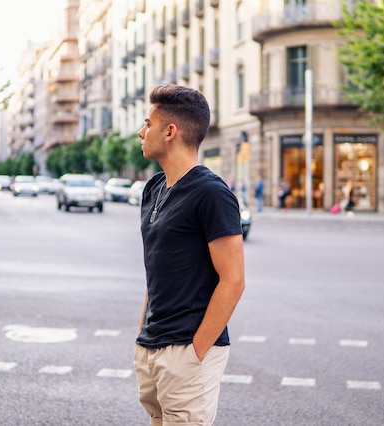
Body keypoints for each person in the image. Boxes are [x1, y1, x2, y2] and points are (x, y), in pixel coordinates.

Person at [134, 84, 245, 426]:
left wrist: (195, 353)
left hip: (187, 350)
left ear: (170, 131)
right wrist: (142, 336)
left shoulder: (212, 193)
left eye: (148, 123)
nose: (141, 131)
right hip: (151, 346)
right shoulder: (153, 188)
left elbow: (234, 280)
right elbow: (158, 268)